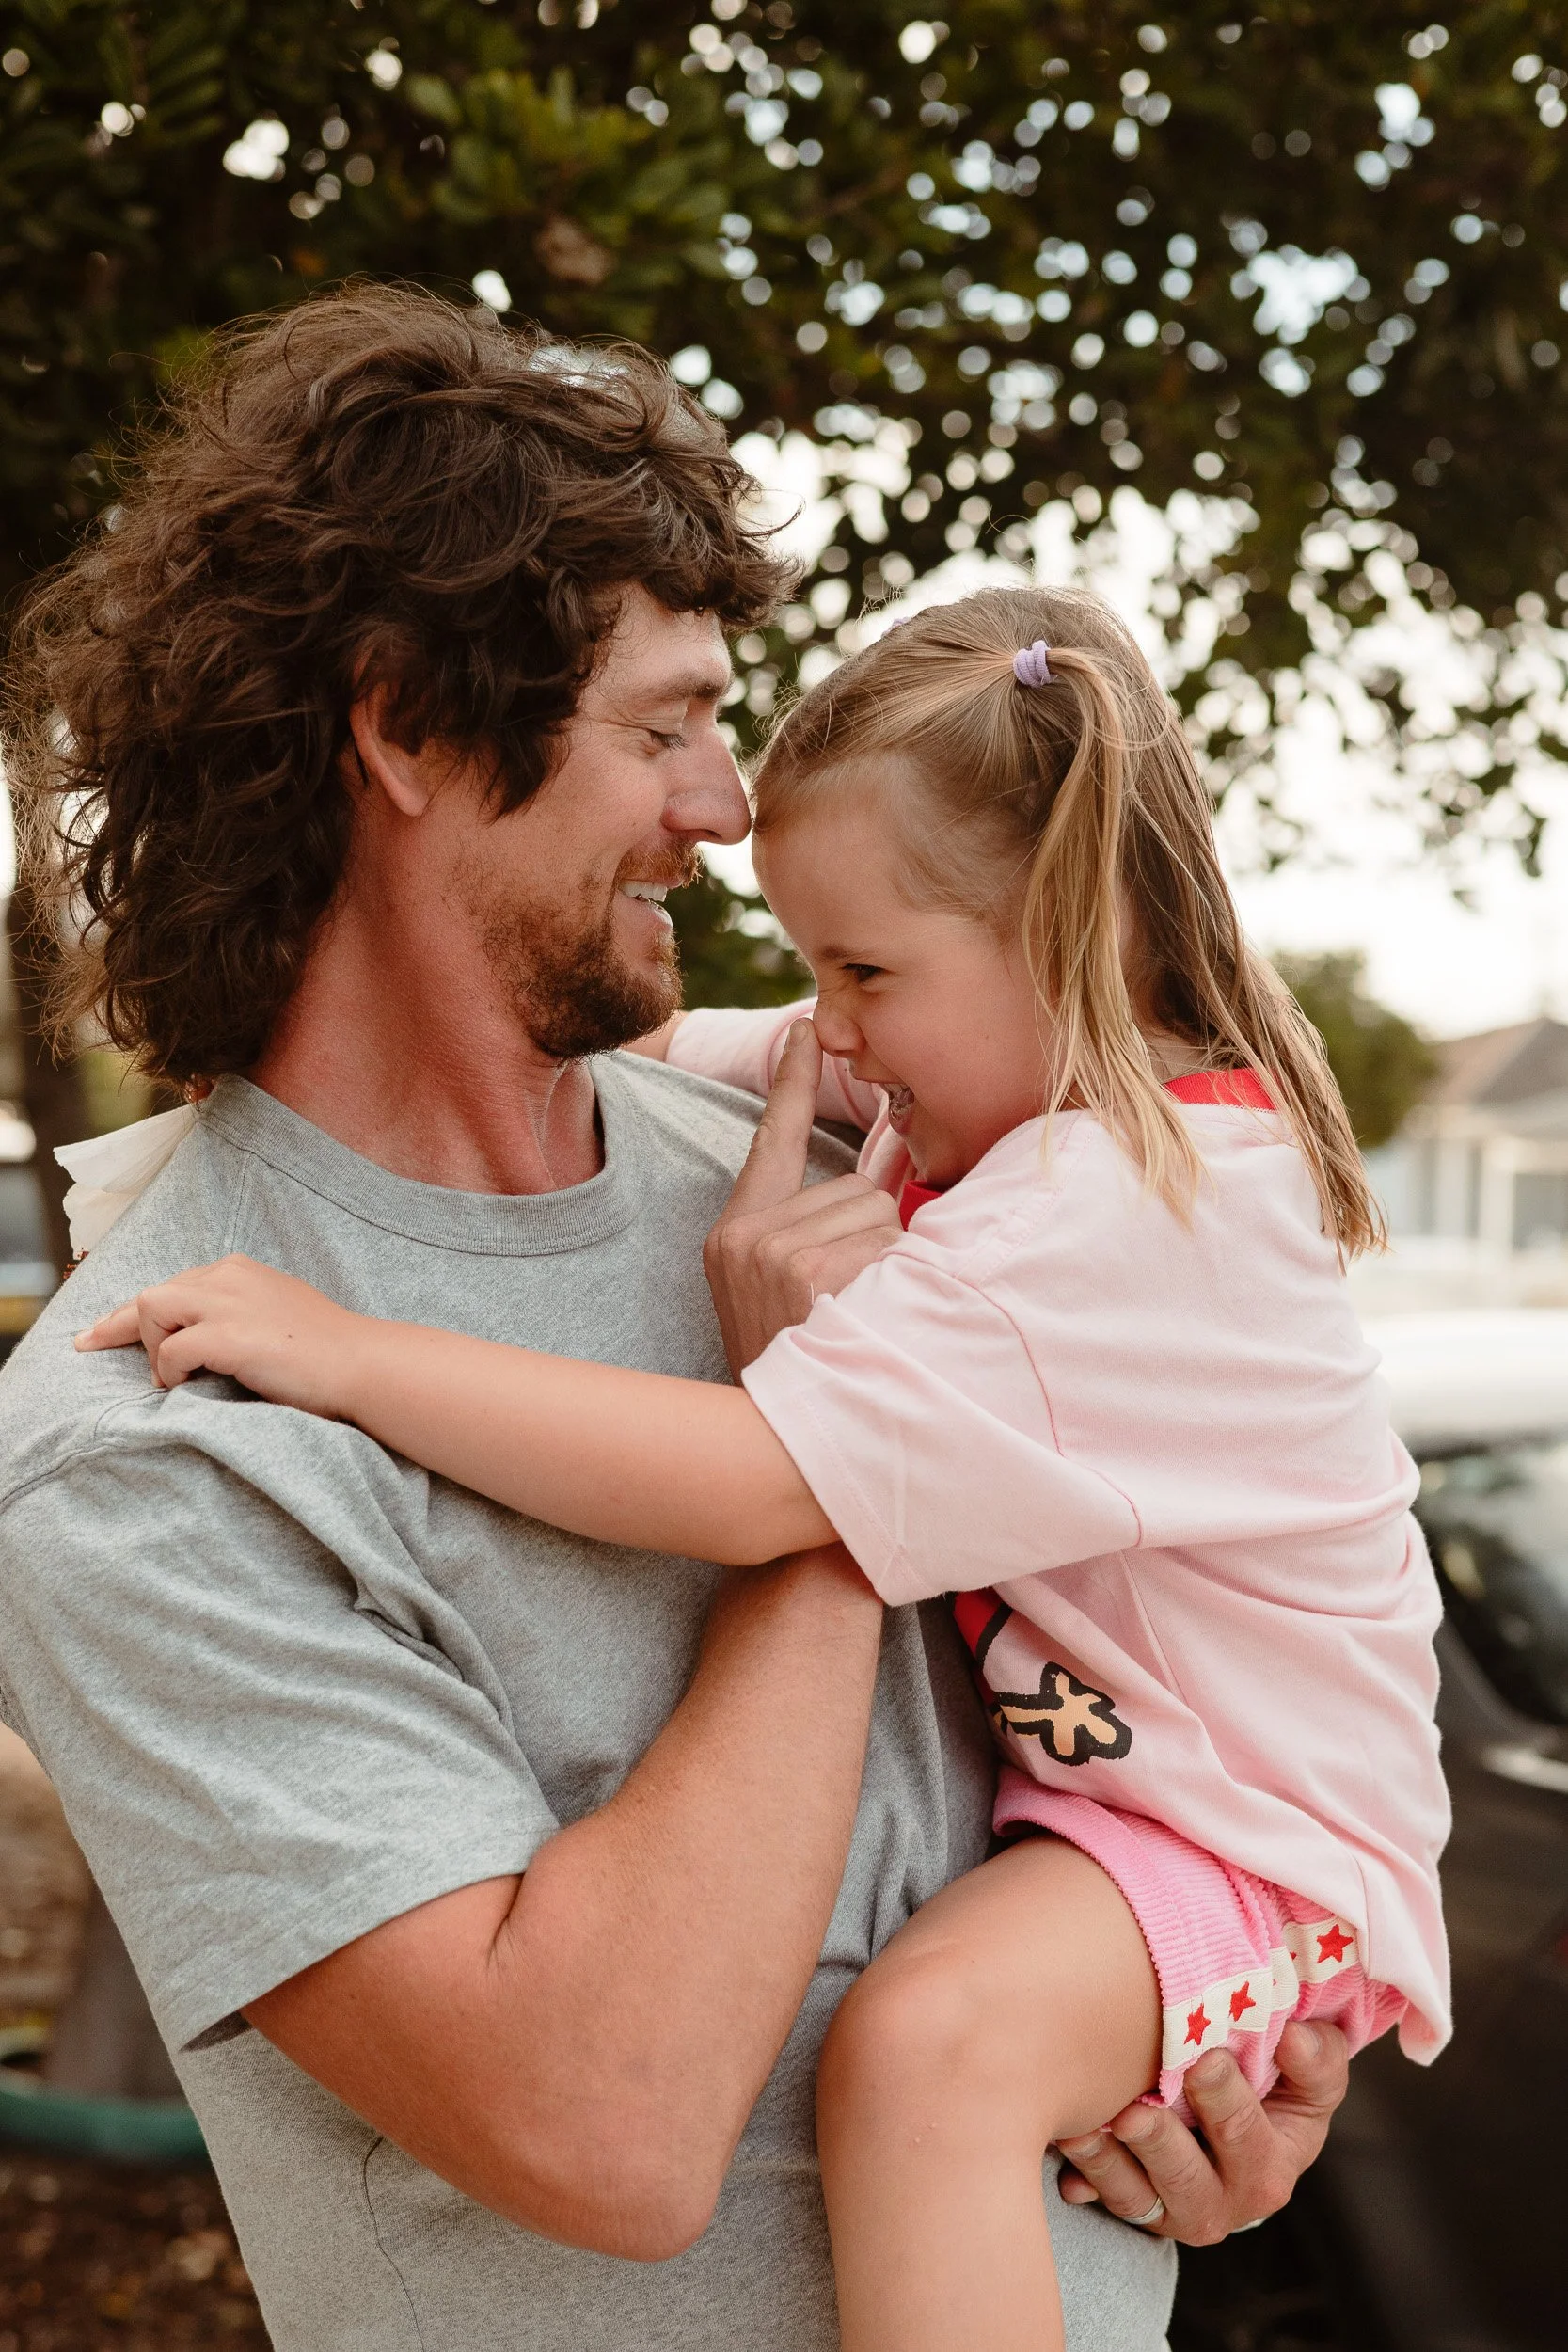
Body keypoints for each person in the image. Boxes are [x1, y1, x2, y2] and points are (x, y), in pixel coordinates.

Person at [0, 291, 1349, 2352]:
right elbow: (608, 2131)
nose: (726, 811)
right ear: (408, 730)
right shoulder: (159, 1418)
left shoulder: (829, 1160)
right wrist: (825, 1469)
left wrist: (1222, 2036)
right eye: (664, 727)